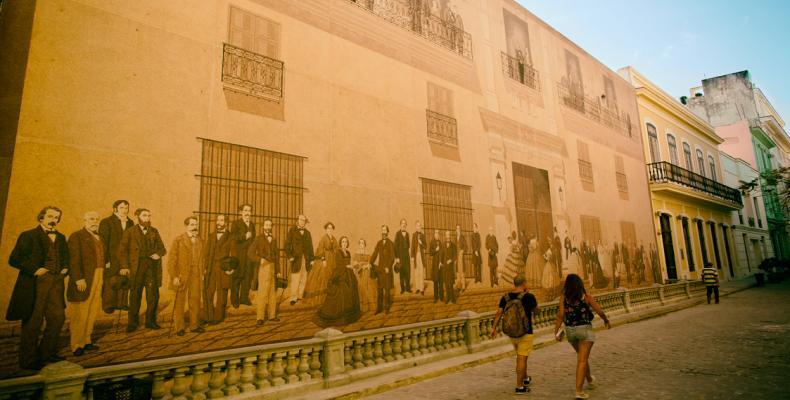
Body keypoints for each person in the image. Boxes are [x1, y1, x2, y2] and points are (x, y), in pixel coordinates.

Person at [6, 206, 69, 370]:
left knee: (58, 318)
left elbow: (66, 258)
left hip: (56, 282)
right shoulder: (28, 235)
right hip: (36, 283)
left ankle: (46, 354)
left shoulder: (61, 237)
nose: (53, 219)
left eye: (56, 217)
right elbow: (14, 259)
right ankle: (28, 360)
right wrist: (35, 269)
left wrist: (65, 268)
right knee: (33, 321)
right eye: (50, 216)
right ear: (41, 217)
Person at [553, 274, 610, 400]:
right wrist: (605, 320)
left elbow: (560, 315)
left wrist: (556, 331)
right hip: (584, 330)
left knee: (582, 356)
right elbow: (599, 311)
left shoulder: (563, 298)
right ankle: (579, 392)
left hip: (570, 332)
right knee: (582, 360)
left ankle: (589, 379)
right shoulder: (586, 297)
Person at [490, 275, 538, 395]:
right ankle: (519, 386)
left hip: (512, 333)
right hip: (526, 332)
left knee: (521, 356)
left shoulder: (506, 297)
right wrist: (530, 297)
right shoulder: (529, 297)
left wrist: (494, 328)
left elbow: (499, 313)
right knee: (522, 358)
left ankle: (525, 378)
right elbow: (537, 311)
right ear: (524, 283)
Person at [120, 208, 166, 332]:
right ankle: (132, 323)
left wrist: (158, 254)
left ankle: (150, 321)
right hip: (137, 268)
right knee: (135, 295)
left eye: (149, 216)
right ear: (137, 217)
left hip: (151, 268)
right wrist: (124, 266)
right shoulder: (130, 232)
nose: (147, 218)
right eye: (145, 216)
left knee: (153, 296)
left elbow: (162, 249)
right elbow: (122, 251)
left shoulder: (154, 231)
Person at [67, 211, 105, 356]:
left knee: (92, 310)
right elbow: (73, 259)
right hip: (84, 278)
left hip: (99, 274)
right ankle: (77, 345)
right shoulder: (77, 236)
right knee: (80, 312)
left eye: (96, 219)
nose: (94, 221)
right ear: (84, 221)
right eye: (91, 219)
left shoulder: (100, 237)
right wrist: (78, 278)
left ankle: (87, 340)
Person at [168, 216, 204, 336]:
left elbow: (202, 259)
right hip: (181, 274)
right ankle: (179, 327)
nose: (195, 227)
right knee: (179, 301)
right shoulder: (179, 240)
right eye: (192, 224)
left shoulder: (200, 240)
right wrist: (174, 276)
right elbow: (172, 260)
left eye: (196, 225)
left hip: (196, 273)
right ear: (186, 226)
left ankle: (194, 325)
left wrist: (202, 272)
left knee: (195, 299)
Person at [99, 200, 134, 314]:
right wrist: (106, 260)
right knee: (110, 280)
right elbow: (103, 243)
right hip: (112, 257)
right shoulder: (106, 222)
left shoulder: (130, 222)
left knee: (124, 279)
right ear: (115, 209)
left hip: (125, 257)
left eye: (126, 208)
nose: (125, 210)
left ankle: (122, 303)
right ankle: (108, 305)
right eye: (122, 208)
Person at [317, 236, 361, 326]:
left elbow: (349, 263)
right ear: (340, 243)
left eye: (346, 242)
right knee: (343, 288)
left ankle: (350, 313)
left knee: (353, 286)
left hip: (349, 274)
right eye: (343, 242)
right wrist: (347, 266)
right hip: (341, 274)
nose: (344, 243)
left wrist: (353, 265)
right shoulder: (338, 252)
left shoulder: (348, 252)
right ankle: (340, 314)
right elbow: (339, 264)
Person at [247, 219, 281, 325]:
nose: (268, 226)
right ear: (263, 226)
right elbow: (250, 253)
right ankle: (260, 317)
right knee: (262, 292)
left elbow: (276, 256)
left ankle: (272, 315)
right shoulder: (258, 239)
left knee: (272, 292)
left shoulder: (274, 239)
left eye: (270, 225)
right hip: (263, 267)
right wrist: (259, 259)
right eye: (266, 224)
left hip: (272, 267)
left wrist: (278, 270)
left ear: (271, 227)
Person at [204, 214, 234, 324]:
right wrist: (205, 267)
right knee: (208, 291)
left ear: (226, 223)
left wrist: (231, 269)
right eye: (218, 220)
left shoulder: (231, 236)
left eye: (221, 220)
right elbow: (206, 253)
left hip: (223, 267)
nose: (219, 222)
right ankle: (208, 317)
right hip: (211, 267)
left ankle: (218, 317)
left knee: (222, 293)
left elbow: (234, 255)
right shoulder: (211, 236)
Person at [305, 222, 338, 305]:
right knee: (324, 277)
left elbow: (337, 248)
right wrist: (323, 259)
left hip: (332, 259)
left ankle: (330, 298)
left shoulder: (334, 238)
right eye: (328, 228)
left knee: (331, 276)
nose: (330, 230)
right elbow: (320, 249)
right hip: (325, 259)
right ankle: (322, 299)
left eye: (331, 228)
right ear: (326, 229)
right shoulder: (324, 238)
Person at [285, 214, 314, 305]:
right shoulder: (292, 231)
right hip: (296, 259)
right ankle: (293, 297)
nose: (302, 222)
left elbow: (310, 247)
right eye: (301, 220)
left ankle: (299, 296)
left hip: (306, 259)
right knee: (295, 279)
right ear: (297, 221)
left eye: (304, 220)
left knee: (303, 278)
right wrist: (290, 256)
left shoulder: (307, 233)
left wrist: (312, 259)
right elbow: (287, 245)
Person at [230, 204, 255, 307]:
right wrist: (244, 236)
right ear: (241, 212)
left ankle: (244, 298)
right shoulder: (236, 224)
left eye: (249, 211)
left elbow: (254, 240)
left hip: (249, 256)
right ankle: (235, 300)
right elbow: (233, 238)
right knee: (237, 278)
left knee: (247, 277)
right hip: (239, 255)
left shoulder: (252, 225)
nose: (247, 213)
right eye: (245, 210)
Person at [370, 225, 397, 314]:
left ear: (387, 232)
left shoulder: (390, 243)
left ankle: (386, 308)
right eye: (382, 230)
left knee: (387, 290)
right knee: (380, 289)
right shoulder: (379, 243)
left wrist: (388, 267)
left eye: (385, 230)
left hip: (387, 270)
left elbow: (392, 258)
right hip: (381, 270)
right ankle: (379, 308)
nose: (383, 232)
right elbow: (375, 253)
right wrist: (370, 262)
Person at [352, 239, 376, 313]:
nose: (361, 244)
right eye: (360, 243)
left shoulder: (368, 254)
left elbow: (371, 263)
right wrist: (359, 265)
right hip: (359, 273)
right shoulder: (356, 254)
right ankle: (362, 308)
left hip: (366, 272)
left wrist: (367, 266)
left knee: (368, 287)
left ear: (364, 245)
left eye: (363, 243)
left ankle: (370, 306)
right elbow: (354, 264)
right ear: (359, 245)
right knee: (360, 288)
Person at [394, 219, 411, 294]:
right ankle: (402, 289)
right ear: (400, 225)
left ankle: (408, 288)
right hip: (400, 256)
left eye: (405, 223)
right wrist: (397, 257)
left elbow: (408, 245)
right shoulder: (397, 234)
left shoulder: (407, 234)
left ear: (406, 225)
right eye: (402, 223)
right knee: (401, 272)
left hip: (406, 256)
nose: (403, 225)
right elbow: (395, 246)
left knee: (407, 272)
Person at [410, 221, 427, 295]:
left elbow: (425, 246)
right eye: (417, 226)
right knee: (416, 272)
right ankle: (417, 288)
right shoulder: (414, 235)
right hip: (416, 255)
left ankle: (422, 289)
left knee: (421, 272)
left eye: (420, 226)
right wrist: (412, 256)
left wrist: (421, 243)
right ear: (415, 227)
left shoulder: (423, 235)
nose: (418, 227)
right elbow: (412, 246)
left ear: (421, 227)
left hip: (421, 255)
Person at [441, 231, 457, 304]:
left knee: (451, 283)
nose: (448, 236)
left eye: (449, 235)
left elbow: (455, 256)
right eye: (446, 235)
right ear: (445, 236)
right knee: (446, 283)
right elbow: (441, 254)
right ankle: (448, 297)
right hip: (445, 267)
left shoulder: (453, 245)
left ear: (450, 236)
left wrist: (451, 260)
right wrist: (441, 262)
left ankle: (452, 298)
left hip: (450, 267)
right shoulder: (443, 245)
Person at [429, 230, 443, 302]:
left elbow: (442, 253)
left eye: (438, 233)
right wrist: (435, 249)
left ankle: (441, 296)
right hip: (435, 264)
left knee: (440, 281)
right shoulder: (432, 242)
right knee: (435, 281)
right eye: (436, 233)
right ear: (434, 235)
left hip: (440, 264)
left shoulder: (440, 243)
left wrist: (441, 262)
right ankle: (435, 297)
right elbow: (430, 253)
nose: (437, 235)